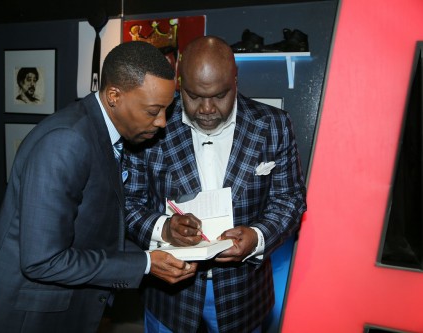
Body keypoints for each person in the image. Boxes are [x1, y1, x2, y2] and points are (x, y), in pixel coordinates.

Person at [0, 41, 197, 333]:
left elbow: (93, 231)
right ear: (114, 96)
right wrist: (145, 264)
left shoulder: (99, 132)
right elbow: (42, 261)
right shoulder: (67, 142)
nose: (161, 122)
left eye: (166, 110)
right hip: (23, 314)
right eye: (153, 110)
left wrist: (161, 249)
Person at [124, 36, 307, 333]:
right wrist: (163, 229)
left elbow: (291, 198)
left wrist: (257, 237)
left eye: (219, 96)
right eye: (194, 96)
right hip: (170, 295)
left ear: (236, 80)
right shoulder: (152, 127)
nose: (206, 108)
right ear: (179, 83)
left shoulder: (274, 125)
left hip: (244, 293)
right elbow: (128, 203)